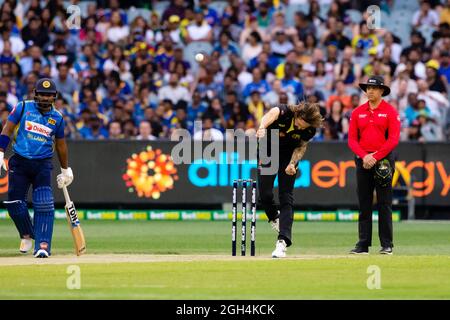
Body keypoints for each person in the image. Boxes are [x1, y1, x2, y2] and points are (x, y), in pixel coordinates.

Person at [0, 78, 74, 258]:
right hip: (20, 161)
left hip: (42, 165)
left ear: (54, 97)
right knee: (14, 204)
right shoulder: (23, 107)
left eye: (49, 95)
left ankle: (42, 246)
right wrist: (0, 151)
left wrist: (65, 170)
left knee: (44, 204)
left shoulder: (57, 117)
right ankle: (26, 234)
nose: (45, 98)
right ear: (35, 94)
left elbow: (61, 146)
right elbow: (7, 129)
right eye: (42, 94)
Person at [256, 102, 323, 258]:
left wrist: (293, 163)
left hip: (288, 156)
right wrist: (261, 127)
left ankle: (282, 242)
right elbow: (270, 114)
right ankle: (274, 217)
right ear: (297, 115)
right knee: (265, 195)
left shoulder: (309, 129)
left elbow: (301, 147)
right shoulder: (285, 112)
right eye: (301, 124)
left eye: (305, 127)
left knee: (286, 195)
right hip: (268, 152)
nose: (301, 128)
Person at [348, 75, 401, 255]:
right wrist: (365, 156)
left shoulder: (390, 111)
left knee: (384, 202)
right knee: (364, 202)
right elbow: (352, 140)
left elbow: (393, 139)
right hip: (363, 160)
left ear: (381, 91)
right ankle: (363, 244)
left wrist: (375, 157)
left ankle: (387, 244)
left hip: (383, 160)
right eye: (367, 88)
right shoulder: (357, 112)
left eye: (374, 88)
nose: (369, 91)